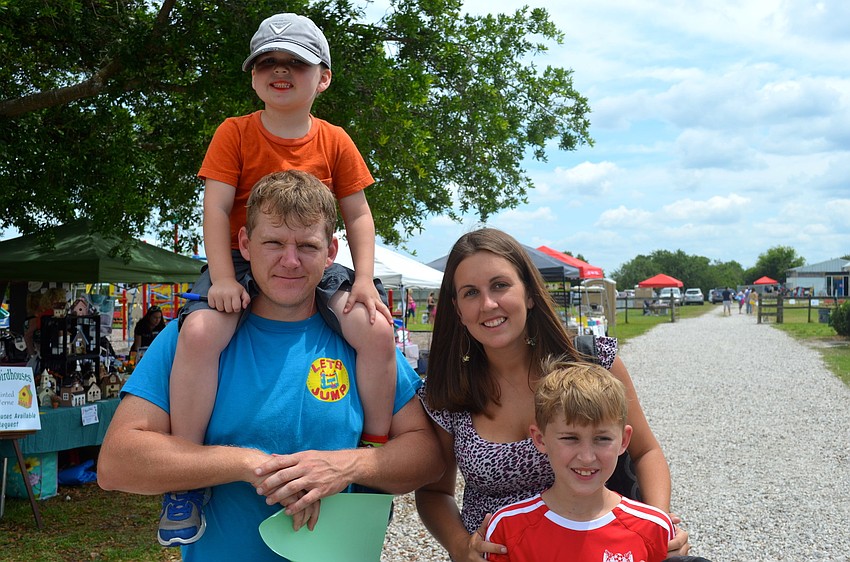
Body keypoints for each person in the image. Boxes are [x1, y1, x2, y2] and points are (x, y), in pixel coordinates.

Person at [97, 170, 443, 561]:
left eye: (307, 246)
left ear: (331, 251)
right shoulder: (194, 336)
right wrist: (252, 465)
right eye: (273, 242)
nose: (290, 261)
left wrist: (347, 466)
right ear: (245, 244)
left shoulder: (361, 339)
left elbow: (427, 456)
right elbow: (117, 463)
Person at [161, 13, 398, 545]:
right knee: (200, 332)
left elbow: (358, 214)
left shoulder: (335, 140)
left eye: (296, 62)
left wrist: (364, 279)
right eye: (268, 61)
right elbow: (216, 209)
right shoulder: (235, 132)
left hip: (313, 262)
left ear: (323, 78)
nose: (281, 70)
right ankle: (186, 475)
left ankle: (372, 454)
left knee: (376, 329)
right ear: (253, 76)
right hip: (240, 258)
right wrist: (224, 277)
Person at [414, 228, 690, 561]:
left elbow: (646, 451)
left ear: (529, 293)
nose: (488, 304)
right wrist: (460, 546)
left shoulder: (591, 361)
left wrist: (656, 526)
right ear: (457, 309)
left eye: (500, 285)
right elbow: (434, 491)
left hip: (594, 550)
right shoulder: (448, 389)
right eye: (471, 293)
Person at [483, 360, 676, 562]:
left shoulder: (653, 529)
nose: (587, 457)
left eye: (602, 439)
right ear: (540, 439)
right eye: (570, 438)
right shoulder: (507, 530)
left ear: (624, 440)